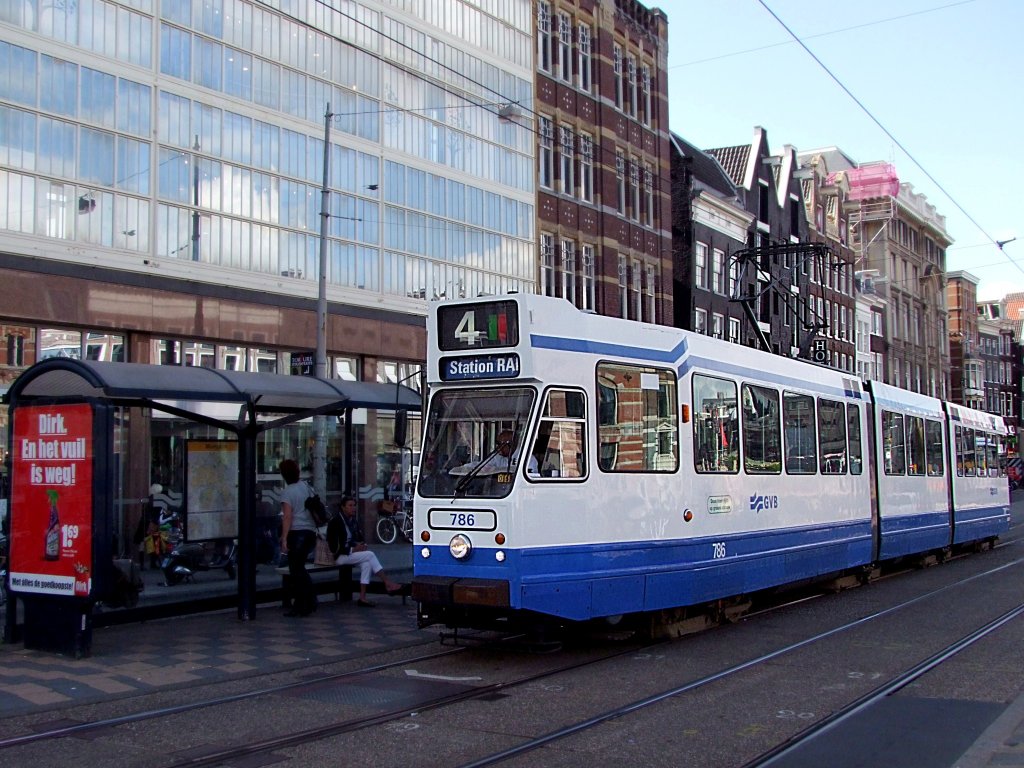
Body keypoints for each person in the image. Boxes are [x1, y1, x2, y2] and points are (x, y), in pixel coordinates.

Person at [330, 496, 403, 607]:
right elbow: (333, 546)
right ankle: (387, 583)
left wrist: (360, 545)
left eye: (354, 505)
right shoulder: (335, 522)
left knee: (367, 564)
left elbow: (357, 538)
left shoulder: (353, 521)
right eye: (350, 506)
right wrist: (353, 549)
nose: (353, 508)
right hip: (339, 555)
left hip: (350, 553)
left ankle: (362, 598)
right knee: (370, 555)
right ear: (343, 507)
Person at [279, 458, 317, 617]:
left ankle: (304, 602)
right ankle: (308, 601)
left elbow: (287, 516)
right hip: (310, 532)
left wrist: (284, 537)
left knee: (296, 570)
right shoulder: (307, 487)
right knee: (299, 568)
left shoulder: (288, 492)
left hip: (297, 533)